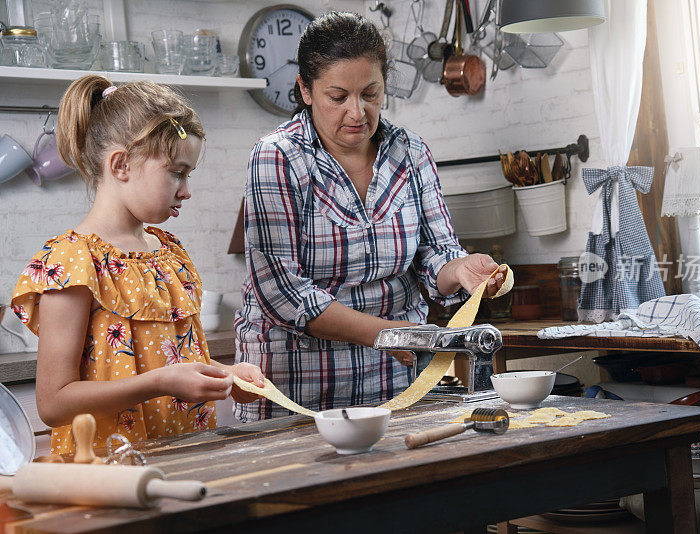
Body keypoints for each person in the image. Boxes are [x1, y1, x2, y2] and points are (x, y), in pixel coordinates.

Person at [234, 12, 507, 421]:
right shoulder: (277, 157)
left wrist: (462, 269)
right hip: (296, 383)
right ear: (305, 90)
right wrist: (388, 334)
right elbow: (284, 294)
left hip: (394, 378)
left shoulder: (410, 152)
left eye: (371, 93)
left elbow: (435, 255)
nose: (358, 112)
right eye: (338, 97)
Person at [10, 75, 265, 455]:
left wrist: (226, 376)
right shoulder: (71, 261)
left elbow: (179, 363)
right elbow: (53, 403)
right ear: (121, 165)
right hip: (111, 475)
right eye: (177, 172)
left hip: (188, 458)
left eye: (189, 174)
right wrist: (159, 383)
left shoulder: (169, 253)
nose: (187, 189)